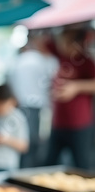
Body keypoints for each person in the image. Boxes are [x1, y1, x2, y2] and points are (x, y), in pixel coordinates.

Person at [45, 27, 95, 170]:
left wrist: (76, 87)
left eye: (66, 42)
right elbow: (46, 41)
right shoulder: (61, 56)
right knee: (49, 164)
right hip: (58, 123)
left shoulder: (86, 62)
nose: (62, 45)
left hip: (80, 124)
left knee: (82, 165)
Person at [7, 31, 59, 168]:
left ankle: (24, 173)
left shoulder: (19, 61)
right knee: (36, 145)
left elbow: (10, 84)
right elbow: (52, 85)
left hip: (22, 107)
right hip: (38, 109)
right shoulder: (45, 61)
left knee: (26, 143)